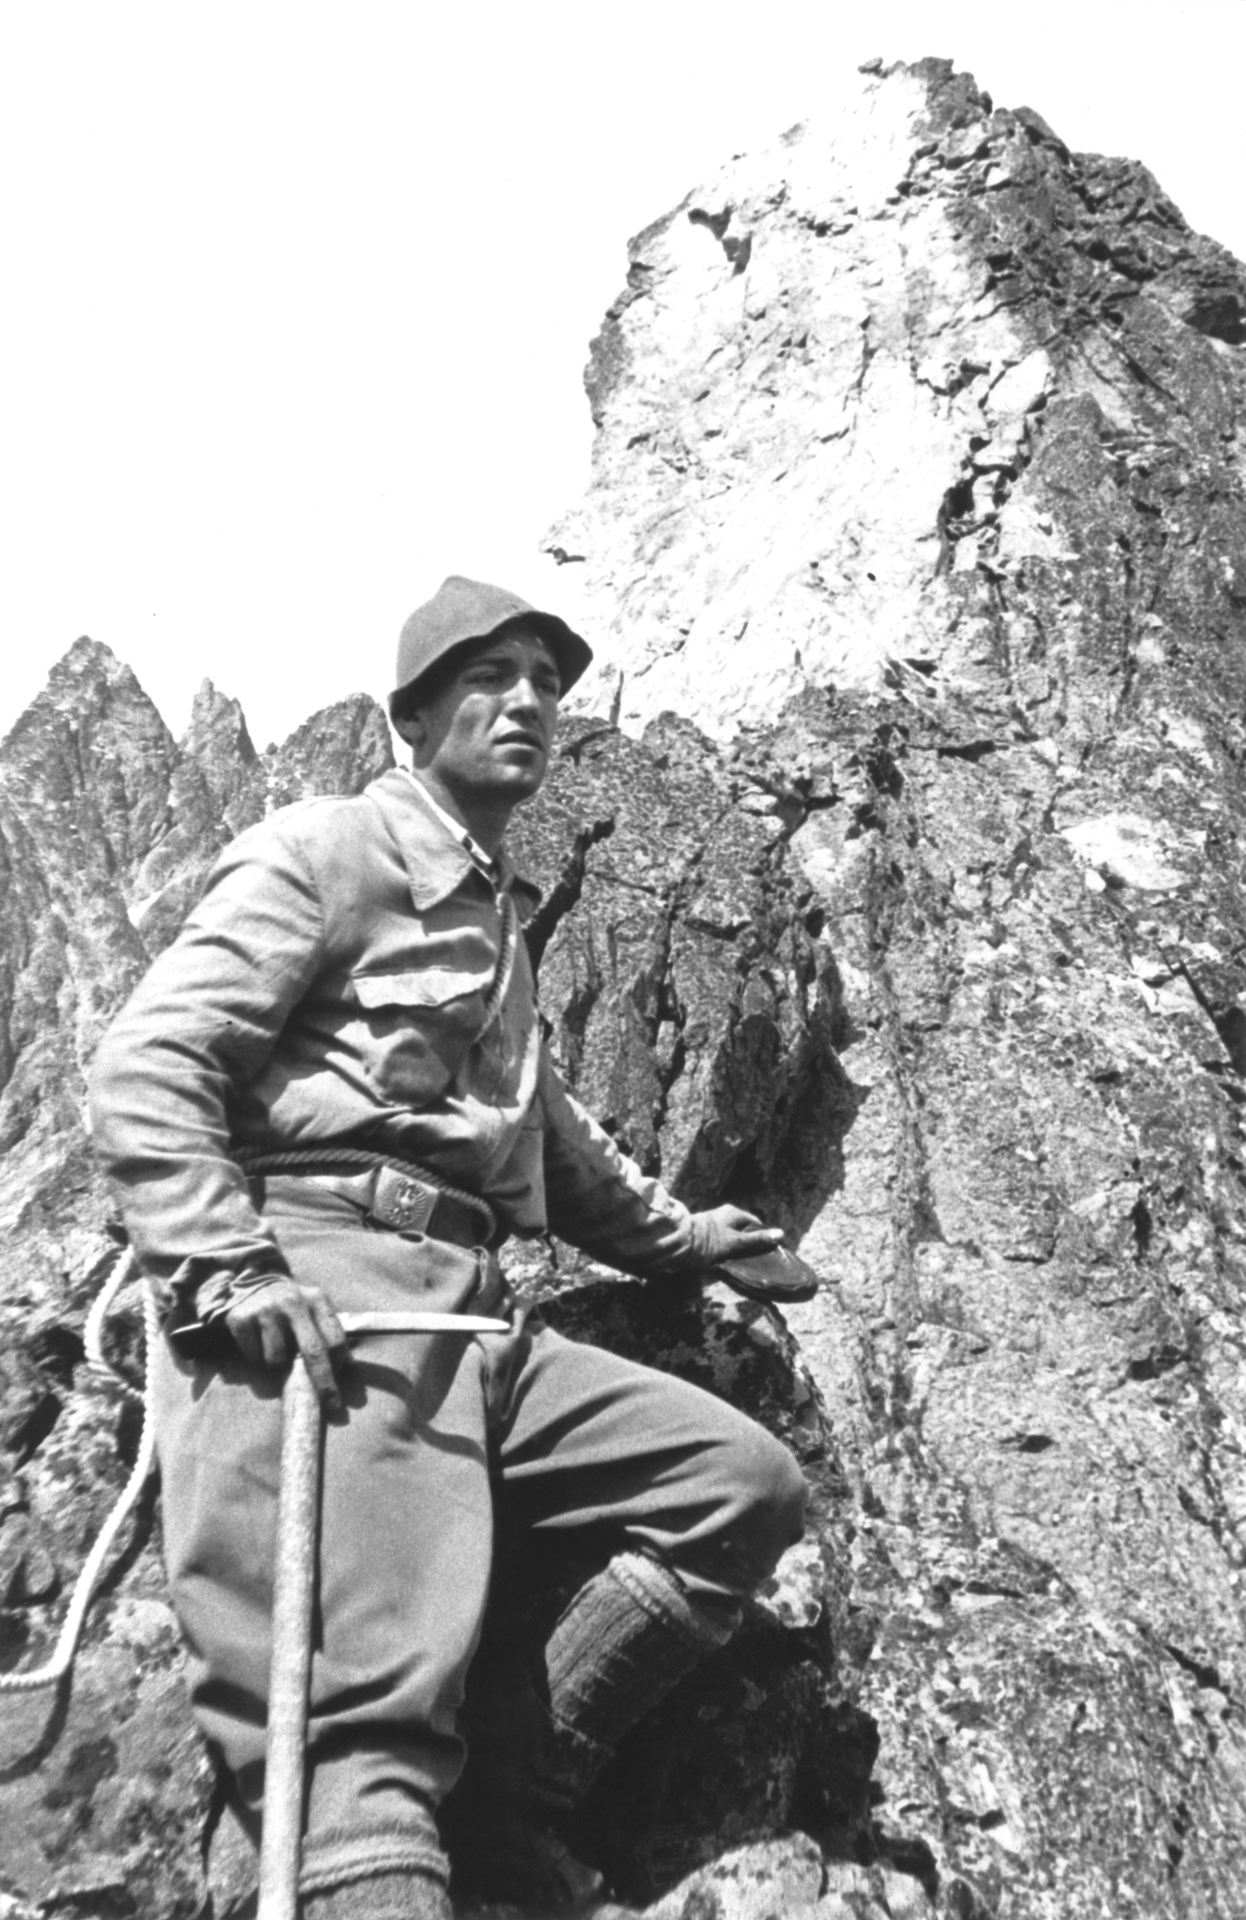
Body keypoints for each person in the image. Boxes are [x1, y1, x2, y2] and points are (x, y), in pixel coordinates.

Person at [89, 575, 808, 1920]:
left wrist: (684, 1240)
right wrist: (230, 1268)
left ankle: (506, 1799)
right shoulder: (327, 851)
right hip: (326, 1298)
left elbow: (548, 1132)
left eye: (544, 679)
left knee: (739, 1487)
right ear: (411, 714)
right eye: (486, 677)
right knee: (358, 1724)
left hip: (472, 1316)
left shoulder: (492, 914)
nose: (526, 699)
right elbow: (148, 1064)